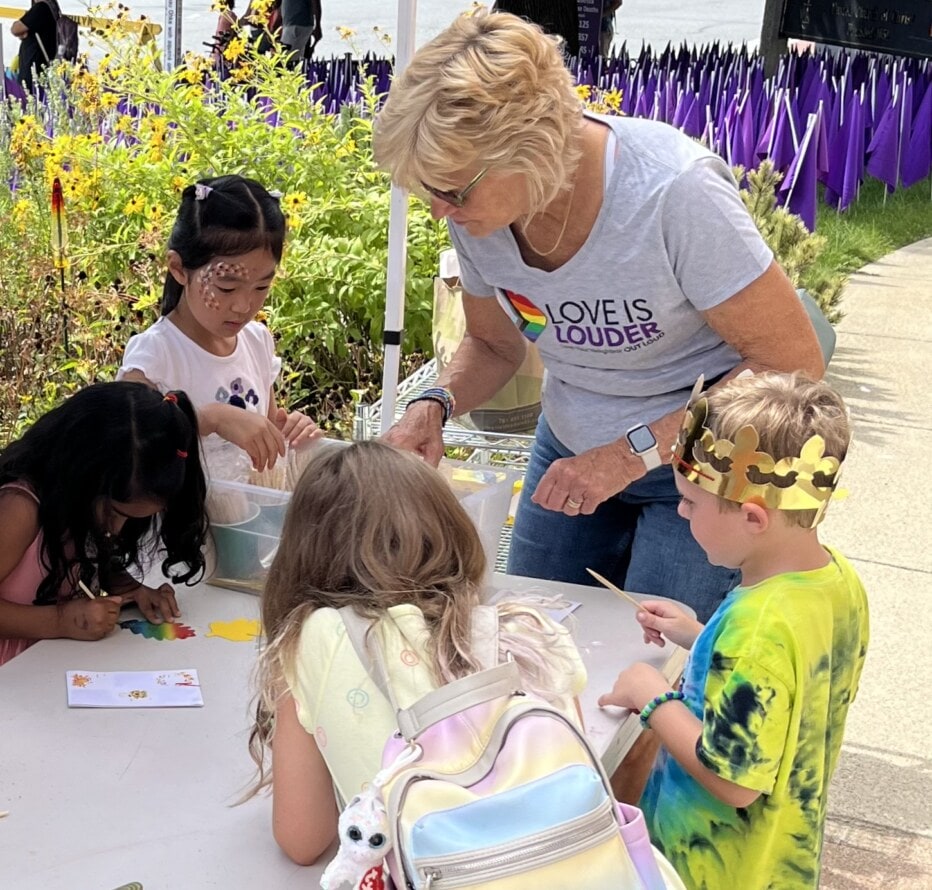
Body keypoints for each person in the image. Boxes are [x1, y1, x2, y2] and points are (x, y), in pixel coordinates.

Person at [372, 11, 825, 625]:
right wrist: (434, 406)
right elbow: (495, 344)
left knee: (657, 676)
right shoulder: (480, 217)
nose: (437, 211)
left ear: (529, 147)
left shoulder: (674, 193)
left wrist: (626, 456)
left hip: (702, 470)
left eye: (453, 190)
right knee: (529, 638)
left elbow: (792, 362)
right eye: (425, 190)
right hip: (570, 452)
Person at [241, 440, 586, 865]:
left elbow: (302, 840)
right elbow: (578, 779)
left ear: (302, 555)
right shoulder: (532, 628)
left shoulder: (315, 638)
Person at [598, 372, 869, 890]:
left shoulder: (757, 626)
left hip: (713, 866)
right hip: (779, 856)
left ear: (752, 517)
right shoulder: (833, 581)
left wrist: (651, 697)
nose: (680, 512)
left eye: (691, 503)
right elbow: (780, 685)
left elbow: (733, 780)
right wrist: (699, 636)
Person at [118, 174, 322, 476]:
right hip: (180, 522)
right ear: (179, 268)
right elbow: (129, 446)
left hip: (245, 519)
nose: (243, 306)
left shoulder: (256, 342)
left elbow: (266, 428)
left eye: (261, 287)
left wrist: (288, 432)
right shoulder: (155, 356)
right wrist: (209, 418)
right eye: (226, 288)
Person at [0, 381, 209, 666]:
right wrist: (62, 620)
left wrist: (130, 588)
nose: (117, 529)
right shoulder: (19, 508)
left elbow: (80, 556)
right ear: (81, 475)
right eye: (114, 512)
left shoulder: (75, 504)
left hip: (44, 670)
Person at [11, 0, 58, 93]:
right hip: (41, 67)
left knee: (29, 101)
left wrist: (21, 30)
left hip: (33, 70)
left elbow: (15, 29)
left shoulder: (41, 8)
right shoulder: (52, 7)